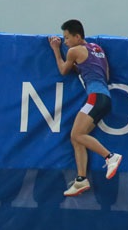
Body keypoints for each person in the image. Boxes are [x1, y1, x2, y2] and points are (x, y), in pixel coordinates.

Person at [48, 19, 122, 197]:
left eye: (67, 38)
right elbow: (105, 75)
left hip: (95, 98)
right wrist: (81, 68)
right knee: (77, 138)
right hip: (105, 98)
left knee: (77, 134)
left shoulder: (73, 51)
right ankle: (81, 179)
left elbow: (63, 70)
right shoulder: (97, 49)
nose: (65, 42)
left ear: (77, 36)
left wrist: (56, 49)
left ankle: (110, 156)